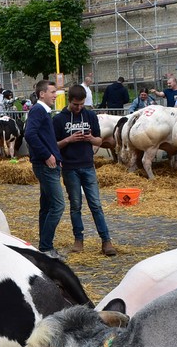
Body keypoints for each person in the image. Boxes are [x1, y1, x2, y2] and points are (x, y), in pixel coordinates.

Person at [53, 85, 118, 257]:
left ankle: (106, 241)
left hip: (88, 165)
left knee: (96, 204)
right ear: (69, 101)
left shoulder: (89, 115)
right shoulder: (59, 119)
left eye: (82, 104)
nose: (79, 108)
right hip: (69, 167)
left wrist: (90, 138)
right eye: (76, 104)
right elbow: (54, 145)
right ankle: (78, 240)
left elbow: (98, 141)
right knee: (75, 206)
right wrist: (69, 139)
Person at [24, 80, 66, 259]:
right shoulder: (38, 110)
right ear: (42, 94)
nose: (55, 95)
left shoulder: (42, 111)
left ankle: (44, 247)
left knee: (47, 205)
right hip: (44, 165)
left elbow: (43, 137)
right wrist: (47, 155)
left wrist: (56, 157)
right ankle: (46, 247)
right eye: (52, 92)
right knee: (58, 205)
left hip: (49, 163)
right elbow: (29, 134)